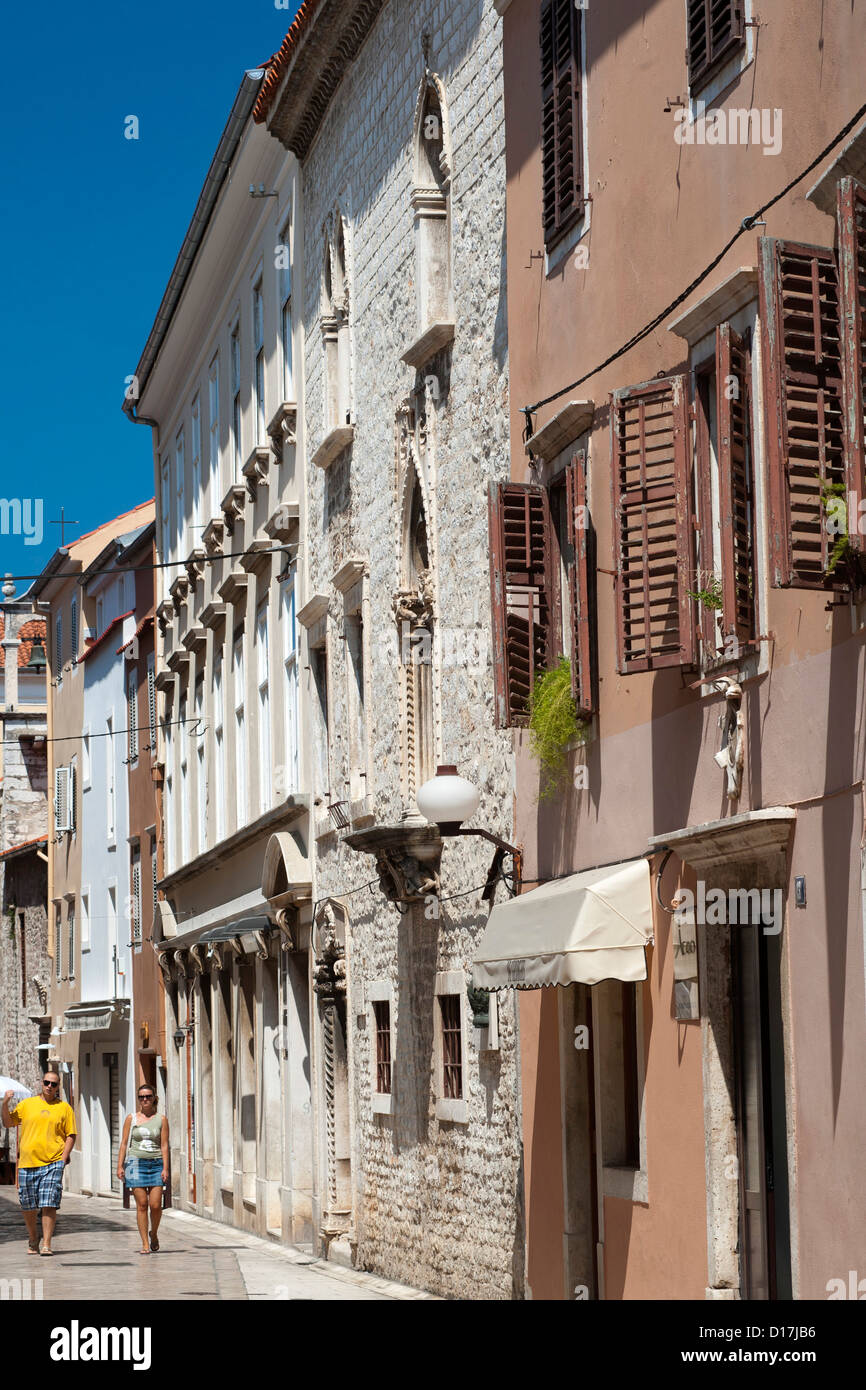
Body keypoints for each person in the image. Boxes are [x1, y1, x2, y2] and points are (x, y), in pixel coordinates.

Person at [1, 1070, 76, 1256]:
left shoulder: (64, 1108)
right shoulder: (27, 1104)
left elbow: (71, 1134)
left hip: (52, 1162)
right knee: (28, 1205)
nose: (50, 1086)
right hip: (27, 1163)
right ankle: (34, 1238)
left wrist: (63, 1157)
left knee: (49, 1201)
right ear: (41, 1083)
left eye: (54, 1084)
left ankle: (47, 1244)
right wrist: (5, 1103)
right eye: (47, 1082)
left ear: (58, 1087)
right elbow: (8, 1122)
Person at [117, 1084, 169, 1254]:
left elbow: (164, 1145)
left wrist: (165, 1168)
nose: (144, 1099)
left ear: (154, 1097)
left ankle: (153, 1233)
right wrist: (120, 1165)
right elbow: (124, 1143)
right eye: (141, 1097)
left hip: (156, 1164)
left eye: (147, 1096)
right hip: (135, 1164)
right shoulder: (131, 1118)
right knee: (142, 1204)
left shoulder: (161, 1119)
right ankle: (145, 1243)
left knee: (155, 1205)